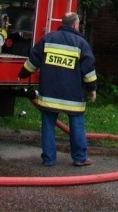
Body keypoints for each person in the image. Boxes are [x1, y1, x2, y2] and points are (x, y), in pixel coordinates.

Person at [18, 12, 97, 167]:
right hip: (73, 96)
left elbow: (33, 60)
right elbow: (88, 70)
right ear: (75, 24)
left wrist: (22, 74)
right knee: (77, 125)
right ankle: (80, 158)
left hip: (49, 94)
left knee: (48, 125)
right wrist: (92, 88)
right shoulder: (81, 43)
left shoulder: (48, 39)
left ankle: (49, 159)